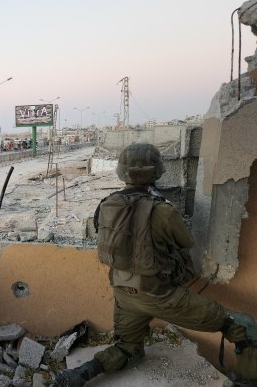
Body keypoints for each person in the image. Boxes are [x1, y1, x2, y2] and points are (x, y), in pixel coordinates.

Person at [55, 143, 257, 387]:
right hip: (161, 296)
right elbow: (186, 241)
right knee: (244, 327)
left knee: (127, 347)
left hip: (124, 295)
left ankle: (84, 372)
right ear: (157, 172)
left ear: (122, 173)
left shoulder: (106, 204)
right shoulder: (163, 210)